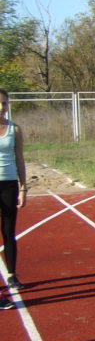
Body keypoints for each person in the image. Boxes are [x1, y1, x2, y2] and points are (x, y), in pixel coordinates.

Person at [0, 89, 27, 308]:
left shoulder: (14, 129)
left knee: (9, 231)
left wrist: (23, 187)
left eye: (5, 103)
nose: (2, 107)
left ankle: (11, 274)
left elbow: (19, 157)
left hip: (8, 184)